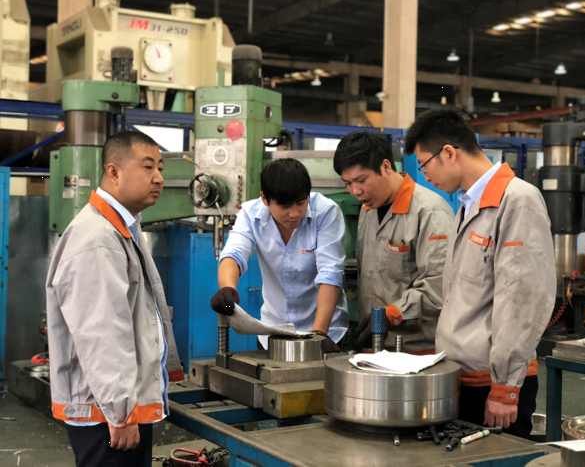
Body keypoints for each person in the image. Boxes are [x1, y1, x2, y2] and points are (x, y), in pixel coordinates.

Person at [404, 110, 556, 439]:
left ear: (448, 152)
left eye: (424, 165)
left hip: (493, 384)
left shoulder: (517, 201)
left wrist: (505, 387)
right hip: (463, 376)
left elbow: (522, 300)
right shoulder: (467, 205)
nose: (424, 176)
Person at [46, 131, 184, 467]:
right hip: (106, 417)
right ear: (114, 171)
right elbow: (103, 335)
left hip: (115, 409)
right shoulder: (98, 239)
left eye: (161, 168)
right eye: (148, 167)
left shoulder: (122, 229)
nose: (159, 178)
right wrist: (120, 413)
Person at [332, 132, 454, 353]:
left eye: (361, 180)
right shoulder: (368, 211)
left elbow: (439, 287)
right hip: (374, 348)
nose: (355, 191)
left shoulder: (429, 212)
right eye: (348, 183)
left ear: (386, 166)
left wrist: (391, 315)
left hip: (416, 351)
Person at [211, 158, 348, 353]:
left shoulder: (326, 212)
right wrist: (227, 287)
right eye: (285, 206)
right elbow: (234, 253)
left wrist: (319, 335)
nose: (294, 213)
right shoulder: (250, 214)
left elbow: (330, 273)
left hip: (326, 332)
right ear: (265, 199)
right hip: (273, 333)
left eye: (301, 203)